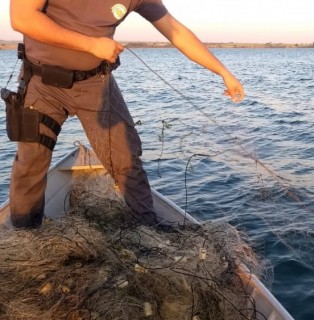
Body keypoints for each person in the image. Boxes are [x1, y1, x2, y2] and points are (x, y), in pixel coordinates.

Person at [6, 0, 245, 228]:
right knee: (30, 164)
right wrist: (91, 45)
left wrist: (223, 72)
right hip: (41, 82)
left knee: (127, 160)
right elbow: (22, 18)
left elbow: (177, 32)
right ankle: (25, 237)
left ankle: (147, 230)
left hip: (95, 84)